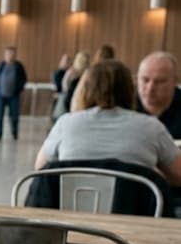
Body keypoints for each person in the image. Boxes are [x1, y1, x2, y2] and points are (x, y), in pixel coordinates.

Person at [37, 59, 181, 185]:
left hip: (73, 207)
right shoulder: (151, 127)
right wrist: (151, 173)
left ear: (85, 90)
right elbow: (179, 176)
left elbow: (40, 169)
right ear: (130, 90)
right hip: (132, 207)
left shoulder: (65, 124)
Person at [0, 46, 28, 141]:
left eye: (12, 54)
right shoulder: (0, 66)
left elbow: (24, 79)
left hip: (14, 96)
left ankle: (14, 133)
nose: (10, 56)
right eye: (8, 54)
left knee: (14, 116)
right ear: (5, 55)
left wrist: (20, 88)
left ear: (15, 55)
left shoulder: (19, 66)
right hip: (1, 95)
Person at [136, 51, 181, 138]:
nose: (150, 88)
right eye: (145, 80)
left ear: (175, 81)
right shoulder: (123, 105)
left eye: (159, 81)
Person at [63, 50, 91, 114]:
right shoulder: (72, 73)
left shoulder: (87, 72)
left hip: (76, 101)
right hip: (73, 100)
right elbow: (66, 88)